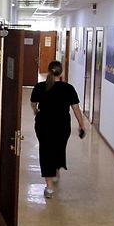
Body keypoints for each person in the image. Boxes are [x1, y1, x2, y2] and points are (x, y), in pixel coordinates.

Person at [30, 60, 86, 199]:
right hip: (62, 126)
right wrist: (81, 124)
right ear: (61, 73)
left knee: (46, 151)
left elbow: (33, 103)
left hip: (44, 125)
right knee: (59, 148)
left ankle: (49, 187)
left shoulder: (40, 87)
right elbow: (76, 109)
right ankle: (55, 171)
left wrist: (36, 111)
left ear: (49, 71)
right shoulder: (68, 88)